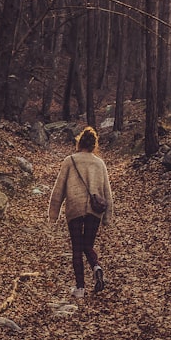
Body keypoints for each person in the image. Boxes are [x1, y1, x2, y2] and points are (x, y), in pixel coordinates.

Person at [49, 126, 114, 298]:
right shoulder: (100, 164)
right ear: (94, 145)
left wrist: (53, 213)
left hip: (75, 208)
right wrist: (107, 217)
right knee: (88, 245)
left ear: (79, 142)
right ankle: (96, 267)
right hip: (95, 211)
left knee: (77, 248)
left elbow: (59, 188)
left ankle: (80, 288)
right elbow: (107, 192)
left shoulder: (70, 161)